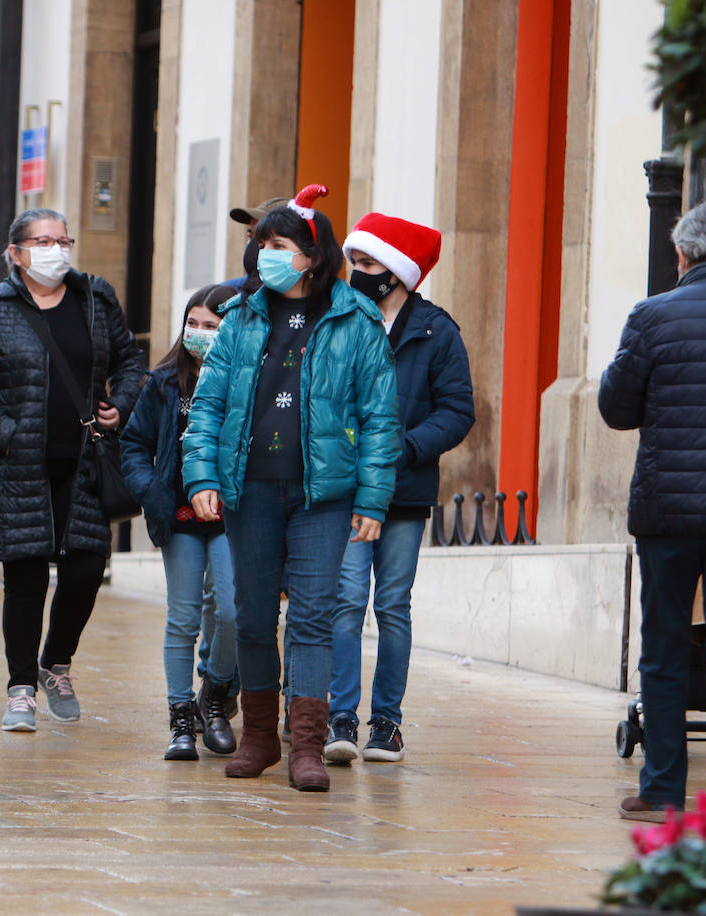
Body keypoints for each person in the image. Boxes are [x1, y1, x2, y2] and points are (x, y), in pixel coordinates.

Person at [182, 185, 399, 790]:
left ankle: (305, 745)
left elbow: (381, 416)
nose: (263, 254)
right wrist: (201, 474)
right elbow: (208, 406)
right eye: (260, 244)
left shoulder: (356, 319)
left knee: (311, 618)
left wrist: (373, 498)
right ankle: (257, 738)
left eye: (276, 244)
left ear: (310, 254)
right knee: (252, 617)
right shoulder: (241, 317)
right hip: (249, 492)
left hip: (322, 496)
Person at [0, 207, 145, 732]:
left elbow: (129, 362)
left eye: (62, 239)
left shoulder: (94, 297)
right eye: (41, 241)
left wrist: (123, 403)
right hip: (16, 467)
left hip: (85, 460)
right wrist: (3, 431)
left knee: (87, 570)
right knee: (24, 577)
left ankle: (56, 664)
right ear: (15, 253)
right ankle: (20, 688)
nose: (55, 250)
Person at [599, 201, 706, 834]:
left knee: (662, 648)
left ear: (682, 255)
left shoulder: (653, 316)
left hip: (668, 511)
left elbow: (616, 408)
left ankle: (661, 790)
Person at [324, 212, 474, 764]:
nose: (356, 273)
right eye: (353, 263)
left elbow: (458, 411)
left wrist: (403, 447)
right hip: (343, 490)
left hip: (405, 495)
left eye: (366, 264)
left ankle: (386, 723)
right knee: (343, 603)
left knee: (391, 605)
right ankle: (339, 716)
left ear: (395, 272)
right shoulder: (339, 322)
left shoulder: (437, 330)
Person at [123, 283, 240, 760]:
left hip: (231, 516)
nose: (199, 332)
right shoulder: (164, 381)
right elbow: (133, 444)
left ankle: (213, 695)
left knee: (232, 610)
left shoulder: (242, 379)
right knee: (184, 616)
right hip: (180, 517)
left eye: (211, 325)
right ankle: (180, 718)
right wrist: (150, 489)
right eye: (193, 323)